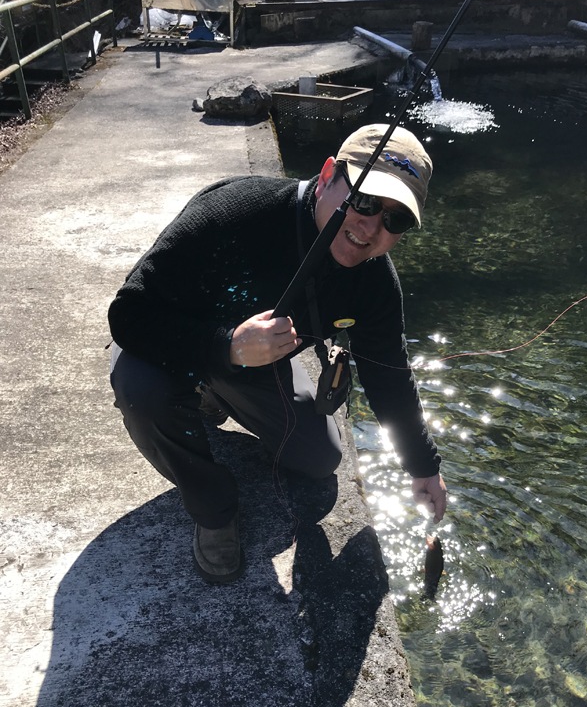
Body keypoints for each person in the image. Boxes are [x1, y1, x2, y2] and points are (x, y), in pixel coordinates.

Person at [108, 123, 447, 585]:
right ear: (328, 175)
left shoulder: (374, 281)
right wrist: (224, 346)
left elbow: (388, 372)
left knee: (321, 459)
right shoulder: (233, 212)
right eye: (364, 201)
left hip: (255, 366)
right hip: (168, 349)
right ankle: (213, 510)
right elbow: (128, 314)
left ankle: (215, 391)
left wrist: (423, 466)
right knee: (139, 390)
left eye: (396, 219)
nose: (371, 227)